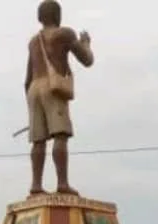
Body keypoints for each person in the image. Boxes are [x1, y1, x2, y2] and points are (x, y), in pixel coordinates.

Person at [25, 0, 94, 196]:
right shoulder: (64, 33)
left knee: (38, 140)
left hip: (33, 88)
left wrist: (30, 107)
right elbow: (87, 60)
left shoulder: (33, 41)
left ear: (40, 17)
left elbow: (27, 77)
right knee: (60, 134)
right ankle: (62, 183)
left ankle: (36, 185)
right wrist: (86, 43)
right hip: (52, 86)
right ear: (57, 15)